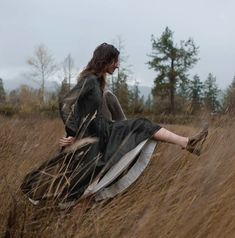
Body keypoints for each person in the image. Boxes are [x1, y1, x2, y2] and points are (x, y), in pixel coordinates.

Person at [21, 43, 208, 206]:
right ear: (105, 60)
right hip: (93, 137)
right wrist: (74, 133)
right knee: (86, 185)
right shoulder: (89, 80)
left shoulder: (99, 82)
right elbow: (65, 103)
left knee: (143, 125)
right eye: (115, 61)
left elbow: (80, 109)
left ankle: (186, 142)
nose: (117, 65)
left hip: (104, 130)